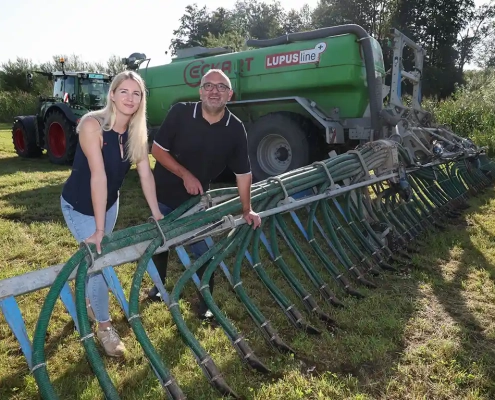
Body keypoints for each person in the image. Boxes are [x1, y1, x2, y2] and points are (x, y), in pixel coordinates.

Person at [60, 70, 164, 357]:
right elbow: (98, 176)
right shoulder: (92, 125)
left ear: (142, 99)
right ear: (113, 94)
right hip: (79, 204)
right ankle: (105, 328)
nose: (130, 98)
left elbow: (145, 174)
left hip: (110, 203)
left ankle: (88, 301)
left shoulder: (136, 132)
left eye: (137, 93)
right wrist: (98, 229)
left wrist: (156, 213)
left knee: (95, 259)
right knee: (100, 261)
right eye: (124, 92)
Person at [147, 69, 261, 319]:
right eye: (208, 86)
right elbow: (157, 150)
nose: (214, 91)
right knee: (160, 243)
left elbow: (243, 174)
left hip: (196, 200)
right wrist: (185, 174)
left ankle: (205, 301)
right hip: (163, 193)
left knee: (205, 249)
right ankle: (157, 287)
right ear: (200, 91)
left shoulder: (235, 128)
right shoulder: (181, 113)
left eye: (221, 87)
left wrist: (247, 209)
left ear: (229, 95)